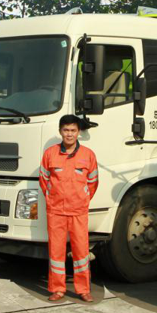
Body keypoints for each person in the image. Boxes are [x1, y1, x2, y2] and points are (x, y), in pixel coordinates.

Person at [40, 114, 99, 302]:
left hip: (78, 211)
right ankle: (57, 289)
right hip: (56, 211)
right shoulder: (50, 154)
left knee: (81, 252)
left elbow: (93, 182)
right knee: (56, 252)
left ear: (78, 132)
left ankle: (83, 290)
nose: (69, 134)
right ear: (60, 131)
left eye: (73, 130)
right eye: (66, 130)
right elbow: (44, 180)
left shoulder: (88, 155)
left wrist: (83, 198)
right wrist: (52, 199)